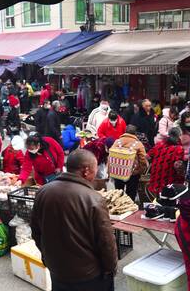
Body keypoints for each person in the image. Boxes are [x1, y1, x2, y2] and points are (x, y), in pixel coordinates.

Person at [31, 150, 117, 291]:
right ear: (86, 171)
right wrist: (110, 269)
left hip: (57, 270)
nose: (96, 174)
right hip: (88, 275)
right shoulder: (94, 199)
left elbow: (36, 231)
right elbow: (106, 242)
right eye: (95, 170)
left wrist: (48, 257)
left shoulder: (43, 191)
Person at [111, 125, 148, 201]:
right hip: (133, 173)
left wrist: (110, 171)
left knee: (118, 194)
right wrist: (140, 171)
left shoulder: (117, 142)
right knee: (131, 194)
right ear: (135, 133)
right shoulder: (139, 144)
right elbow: (143, 160)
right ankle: (130, 210)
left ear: (125, 131)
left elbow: (111, 156)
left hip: (118, 172)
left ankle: (118, 209)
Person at [148, 127, 184, 195]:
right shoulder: (179, 149)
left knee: (156, 200)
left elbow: (148, 156)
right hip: (169, 182)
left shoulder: (159, 144)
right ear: (179, 136)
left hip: (155, 181)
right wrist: (181, 179)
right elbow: (178, 167)